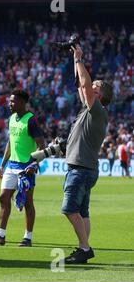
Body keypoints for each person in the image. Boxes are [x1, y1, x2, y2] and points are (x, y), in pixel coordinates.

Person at [60, 44, 113, 264]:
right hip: (85, 168)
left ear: (100, 97)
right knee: (82, 213)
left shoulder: (97, 111)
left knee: (69, 210)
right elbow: (81, 85)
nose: (88, 91)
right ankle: (83, 248)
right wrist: (75, 58)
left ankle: (85, 248)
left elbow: (84, 84)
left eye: (94, 89)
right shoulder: (92, 111)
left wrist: (80, 59)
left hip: (80, 169)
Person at [0, 90, 45, 247]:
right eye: (10, 101)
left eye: (13, 101)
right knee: (3, 197)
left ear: (22, 103)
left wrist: (34, 164)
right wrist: (2, 164)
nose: (9, 104)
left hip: (26, 167)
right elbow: (10, 143)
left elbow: (41, 145)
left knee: (28, 203)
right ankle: (0, 235)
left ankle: (27, 238)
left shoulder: (31, 120)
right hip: (12, 165)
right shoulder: (11, 119)